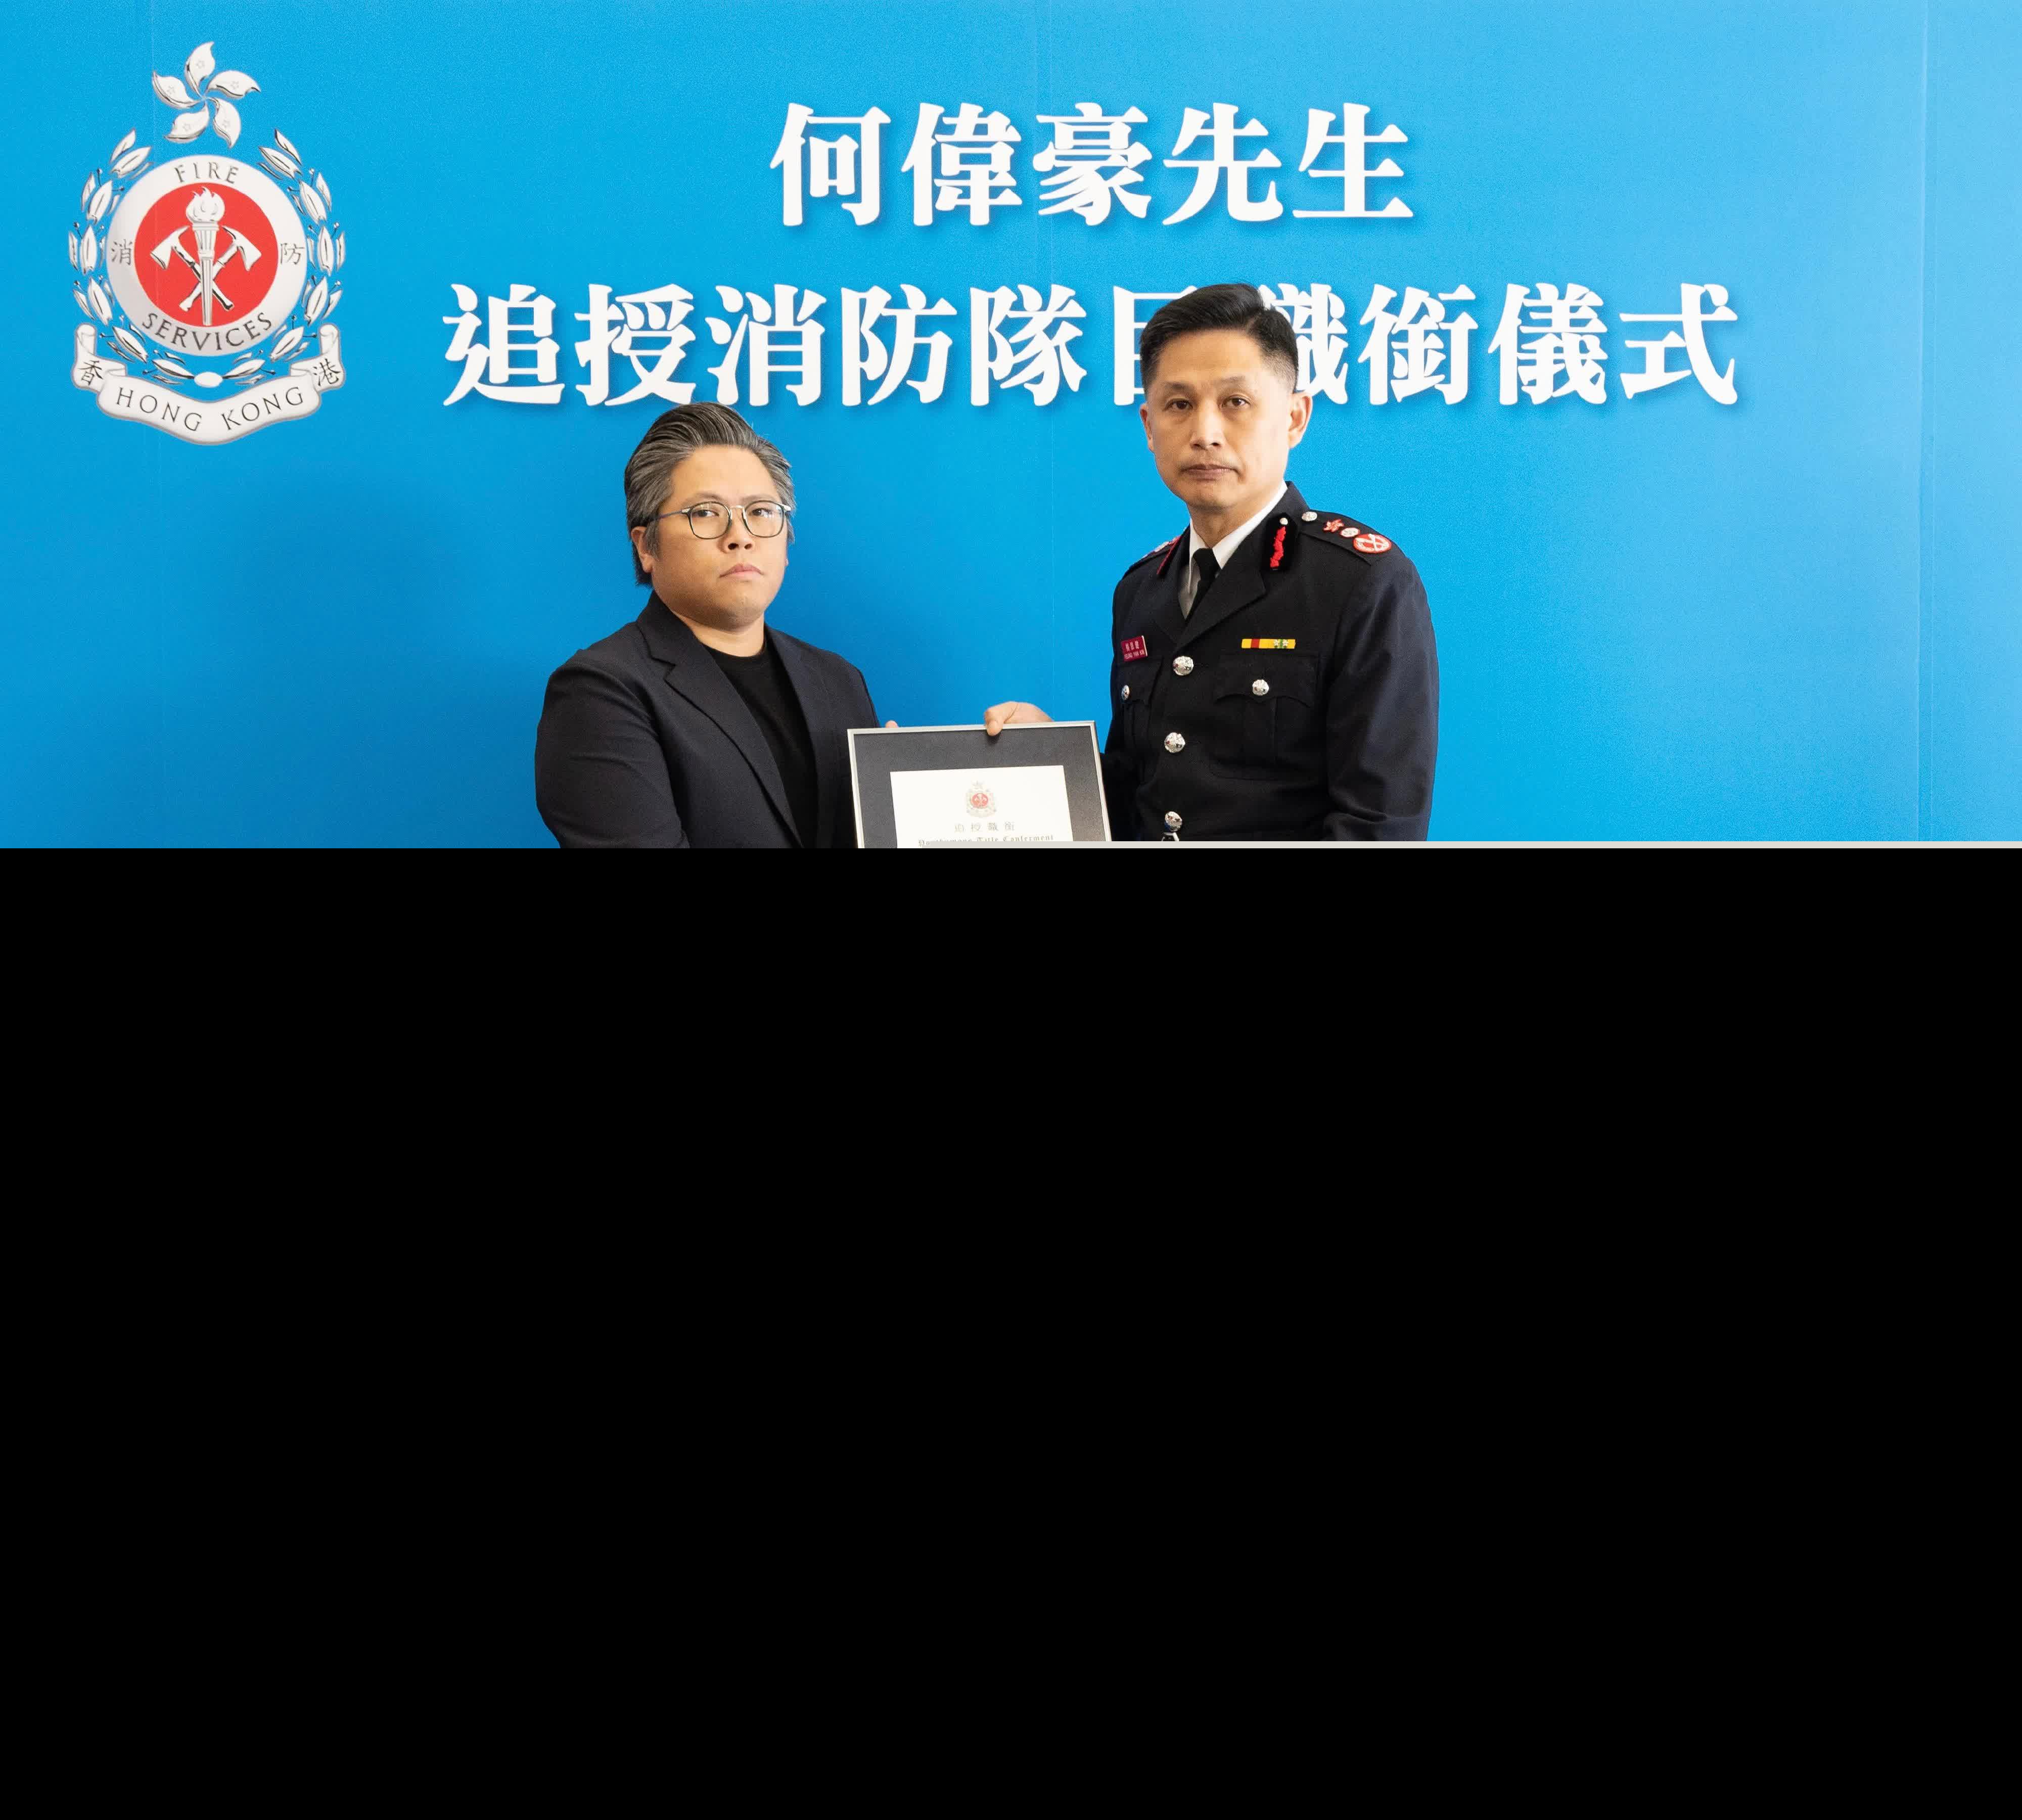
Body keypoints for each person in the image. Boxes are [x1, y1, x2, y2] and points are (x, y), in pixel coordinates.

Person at [984, 284, 1438, 840]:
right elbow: (1139, 800)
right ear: (1149, 426)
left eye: (1235, 402)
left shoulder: (1361, 583)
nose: (1205, 434)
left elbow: (1378, 826)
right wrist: (1051, 757)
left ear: (1295, 418)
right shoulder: (1142, 591)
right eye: (1179, 405)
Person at [536, 403, 880, 848]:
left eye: (761, 511)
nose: (741, 536)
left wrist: (907, 806)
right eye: (705, 513)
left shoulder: (838, 680)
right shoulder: (600, 690)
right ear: (646, 547)